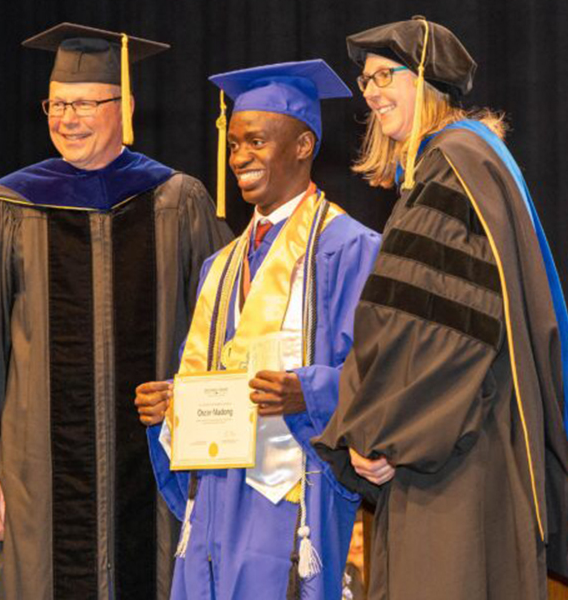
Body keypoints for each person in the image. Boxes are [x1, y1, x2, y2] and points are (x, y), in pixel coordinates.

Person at [0, 22, 231, 600]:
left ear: (123, 107)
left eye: (83, 104)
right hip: (36, 480)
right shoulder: (8, 206)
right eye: (56, 103)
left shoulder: (178, 201)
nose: (66, 118)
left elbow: (224, 327)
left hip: (157, 472)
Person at [314, 16, 568, 599]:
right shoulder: (465, 162)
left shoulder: (452, 167)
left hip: (453, 461)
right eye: (366, 80)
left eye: (385, 75)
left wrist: (381, 435)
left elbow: (438, 331)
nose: (371, 91)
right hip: (464, 441)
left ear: (427, 81)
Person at [134, 59, 380, 599]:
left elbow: (380, 379)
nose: (239, 156)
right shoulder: (219, 266)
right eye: (235, 143)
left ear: (302, 145)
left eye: (257, 141)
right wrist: (169, 408)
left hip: (294, 496)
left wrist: (307, 390)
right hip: (215, 502)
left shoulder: (346, 248)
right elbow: (213, 381)